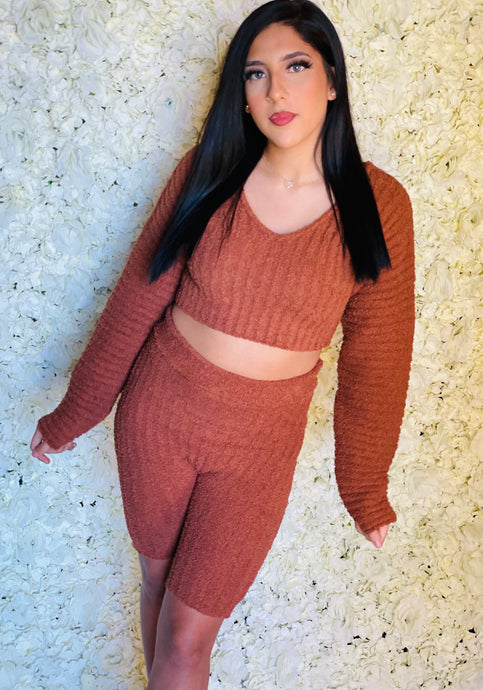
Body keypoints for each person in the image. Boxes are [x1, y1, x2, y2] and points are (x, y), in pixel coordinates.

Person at [30, 1, 415, 688]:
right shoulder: (207, 173)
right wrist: (74, 414)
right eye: (255, 73)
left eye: (296, 66)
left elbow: (378, 356)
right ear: (240, 94)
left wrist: (364, 484)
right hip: (159, 416)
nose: (276, 90)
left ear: (332, 80)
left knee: (186, 639)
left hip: (257, 450)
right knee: (156, 588)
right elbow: (137, 298)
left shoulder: (379, 203)